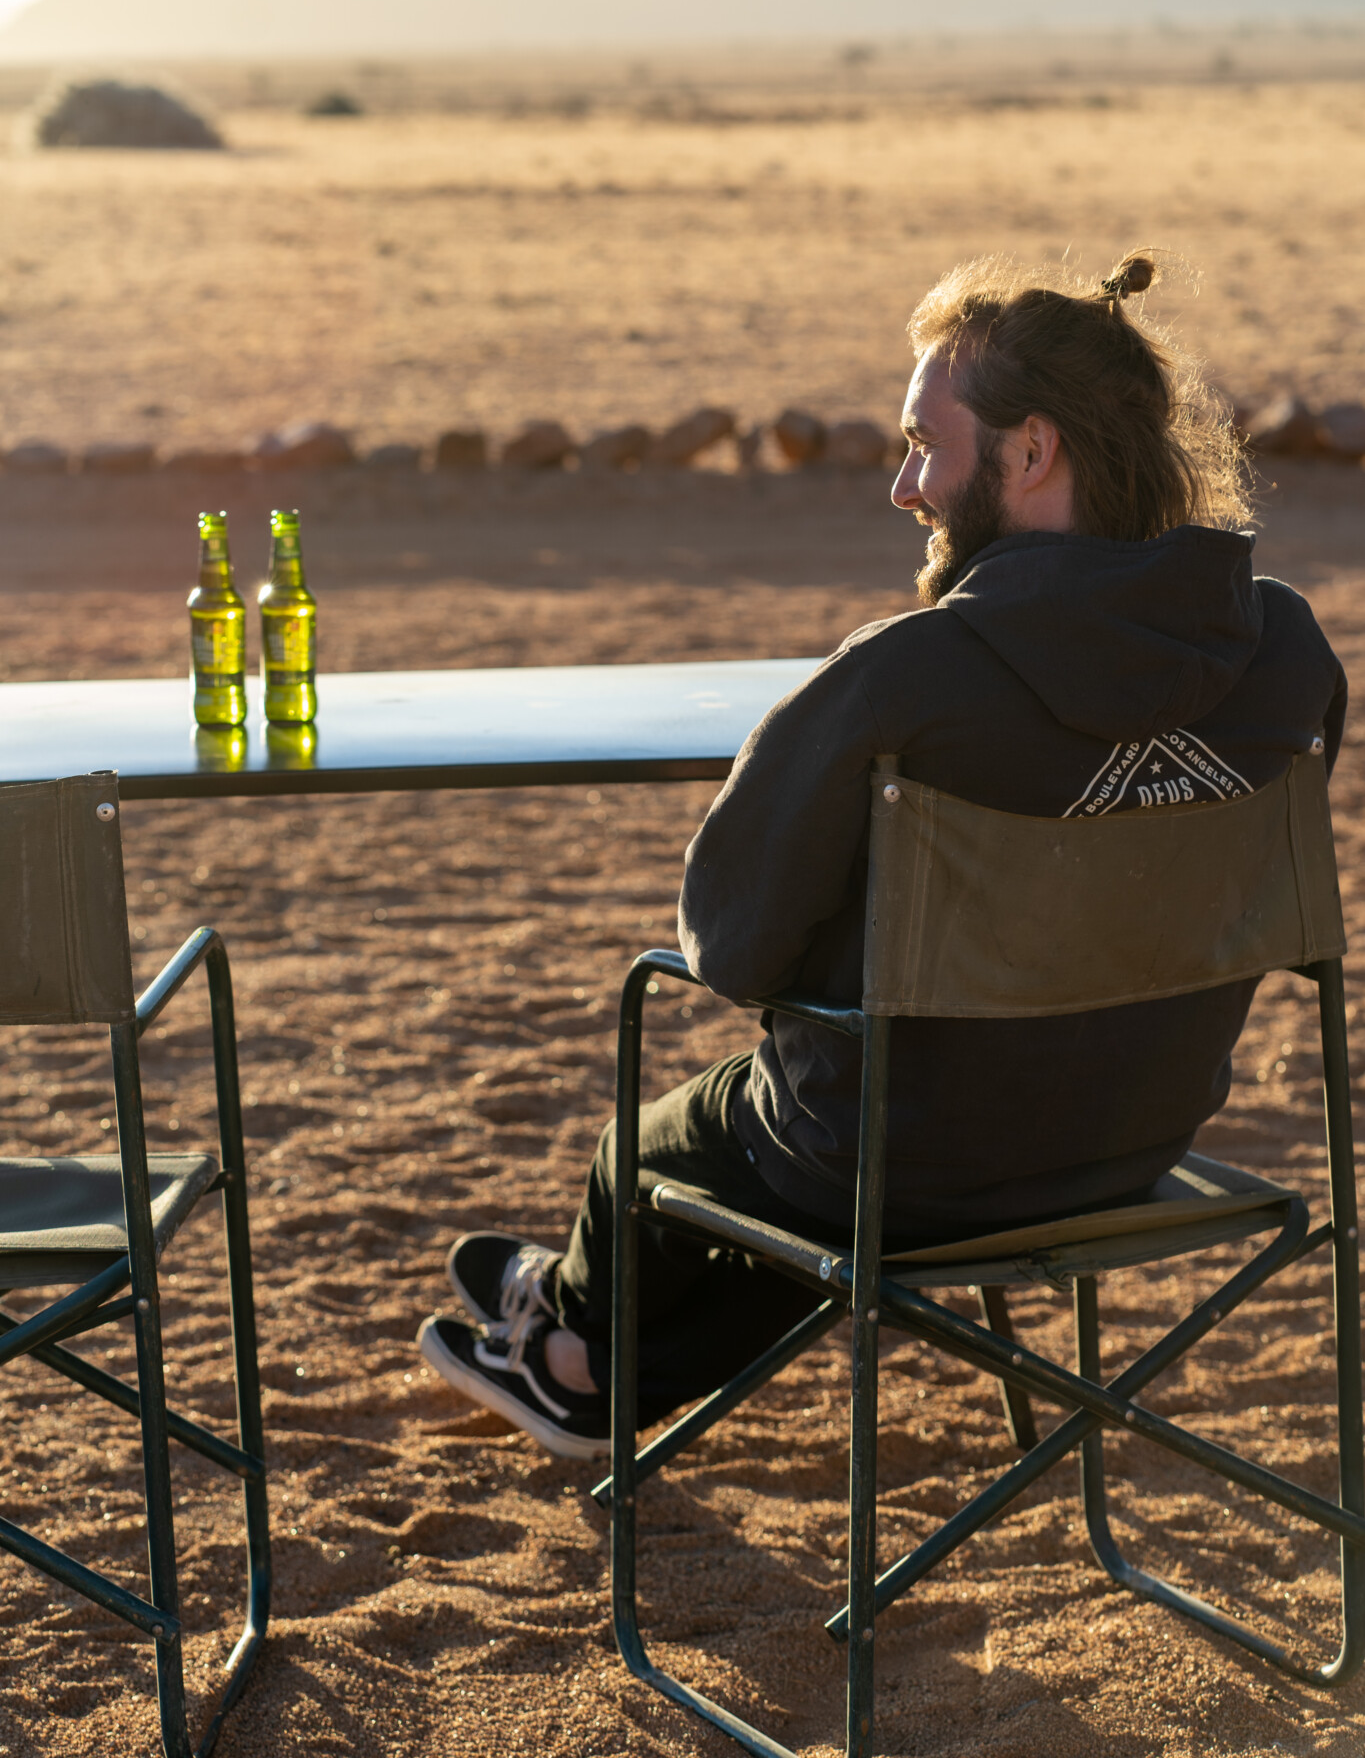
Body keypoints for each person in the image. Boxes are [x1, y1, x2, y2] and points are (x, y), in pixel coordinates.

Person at [417, 249, 1347, 1460]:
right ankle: (569, 1322)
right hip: (1138, 1133)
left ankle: (578, 1347)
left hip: (902, 1153)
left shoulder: (904, 675)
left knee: (645, 1156)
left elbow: (733, 945)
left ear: (1029, 453)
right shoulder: (1284, 650)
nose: (904, 485)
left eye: (925, 444)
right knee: (831, 1173)